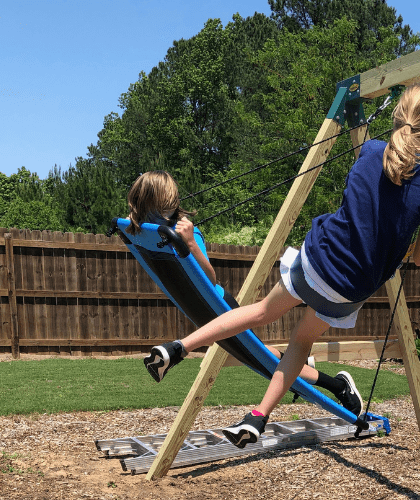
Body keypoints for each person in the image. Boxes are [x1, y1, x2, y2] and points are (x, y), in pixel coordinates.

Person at [144, 84, 420, 448]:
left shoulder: (371, 151)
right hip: (348, 290)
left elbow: (372, 200)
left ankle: (178, 347)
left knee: (258, 312)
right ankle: (258, 416)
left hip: (317, 262)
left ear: (398, 117)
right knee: (301, 341)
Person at [127, 170, 364, 419]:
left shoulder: (185, 233)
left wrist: (191, 245)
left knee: (262, 361)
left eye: (165, 205)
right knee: (261, 356)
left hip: (218, 306)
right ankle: (309, 369)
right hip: (199, 309)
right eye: (156, 206)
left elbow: (210, 279)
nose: (163, 212)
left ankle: (337, 385)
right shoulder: (146, 234)